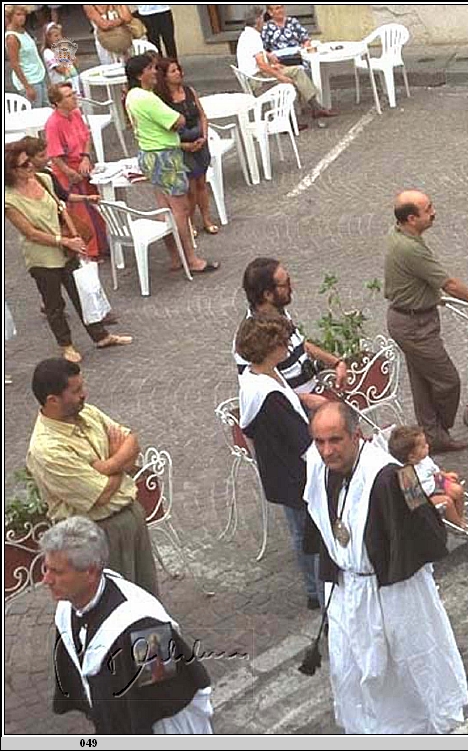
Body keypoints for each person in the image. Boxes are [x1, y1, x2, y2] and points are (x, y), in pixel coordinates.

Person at [302, 402, 468, 733]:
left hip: (394, 592)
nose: (326, 451)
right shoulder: (319, 466)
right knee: (353, 671)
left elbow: (430, 531)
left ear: (357, 436)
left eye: (335, 440)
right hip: (347, 589)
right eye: (319, 441)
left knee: (407, 670)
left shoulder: (395, 474)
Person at [44, 517, 213, 734]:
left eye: (57, 572)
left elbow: (167, 702)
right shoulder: (68, 609)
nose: (46, 580)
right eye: (45, 568)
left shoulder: (144, 628)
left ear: (91, 572)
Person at [27, 358, 158, 595]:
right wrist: (120, 461)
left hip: (131, 517)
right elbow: (102, 494)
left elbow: (132, 442)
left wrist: (108, 464)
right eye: (76, 391)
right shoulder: (48, 449)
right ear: (52, 400)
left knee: (145, 593)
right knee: (111, 603)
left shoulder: (87, 412)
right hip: (95, 536)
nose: (84, 394)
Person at [384, 190, 468, 454]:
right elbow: (449, 284)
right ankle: (438, 428)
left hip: (410, 319)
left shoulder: (399, 233)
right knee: (447, 380)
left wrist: (427, 295)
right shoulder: (411, 249)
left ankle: (434, 437)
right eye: (428, 209)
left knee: (422, 381)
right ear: (411, 218)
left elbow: (418, 280)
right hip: (415, 326)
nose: (434, 212)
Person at [4, 142, 130, 362]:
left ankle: (100, 336)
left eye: (28, 161)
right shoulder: (9, 200)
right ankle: (66, 345)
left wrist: (73, 238)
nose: (30, 166)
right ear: (11, 171)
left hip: (67, 247)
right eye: (24, 164)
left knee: (81, 292)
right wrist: (64, 241)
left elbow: (61, 206)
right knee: (54, 304)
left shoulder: (42, 179)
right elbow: (30, 233)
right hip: (42, 256)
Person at [236, 314, 322, 611]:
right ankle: (320, 594)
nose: (288, 346)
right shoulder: (268, 395)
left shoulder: (259, 375)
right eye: (282, 342)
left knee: (301, 531)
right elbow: (299, 440)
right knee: (310, 534)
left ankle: (314, 590)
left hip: (282, 470)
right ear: (268, 347)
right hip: (293, 474)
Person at [123, 54, 217, 275]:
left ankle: (176, 257)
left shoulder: (133, 96)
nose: (155, 72)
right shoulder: (147, 98)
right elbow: (178, 121)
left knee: (164, 208)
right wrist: (178, 120)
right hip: (164, 156)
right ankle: (191, 259)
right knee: (180, 209)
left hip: (150, 153)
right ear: (140, 75)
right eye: (150, 68)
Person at [235, 257, 348, 409]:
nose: (291, 286)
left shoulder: (278, 313)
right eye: (285, 284)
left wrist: (336, 362)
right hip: (294, 408)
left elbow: (300, 344)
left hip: (314, 391)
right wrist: (304, 399)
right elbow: (257, 386)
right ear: (268, 294)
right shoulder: (251, 336)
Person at [154, 58, 220, 236]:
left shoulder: (189, 91)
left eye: (178, 70)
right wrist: (184, 145)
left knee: (201, 184)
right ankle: (190, 222)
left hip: (199, 140)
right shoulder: (162, 100)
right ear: (165, 77)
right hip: (182, 144)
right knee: (190, 187)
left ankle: (206, 218)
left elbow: (202, 115)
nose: (178, 74)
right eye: (173, 71)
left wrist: (204, 136)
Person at [236, 5, 336, 122]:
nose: (264, 21)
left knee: (297, 71)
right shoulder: (254, 37)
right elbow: (262, 65)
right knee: (290, 82)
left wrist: (273, 66)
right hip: (258, 81)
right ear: (258, 20)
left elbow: (259, 62)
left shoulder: (246, 35)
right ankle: (286, 120)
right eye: (262, 18)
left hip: (258, 75)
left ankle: (316, 108)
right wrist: (280, 76)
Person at [43, 87, 110, 261]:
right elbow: (54, 154)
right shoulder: (53, 124)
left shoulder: (76, 114)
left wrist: (86, 157)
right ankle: (89, 251)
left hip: (82, 165)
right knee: (80, 212)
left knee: (94, 204)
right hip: (68, 170)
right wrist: (70, 172)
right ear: (57, 102)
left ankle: (102, 244)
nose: (75, 97)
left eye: (73, 94)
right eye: (69, 96)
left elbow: (86, 137)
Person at [386, 424, 468, 531]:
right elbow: (415, 502)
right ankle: (458, 524)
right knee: (447, 502)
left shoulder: (424, 459)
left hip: (434, 481)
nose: (427, 446)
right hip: (424, 498)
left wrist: (445, 475)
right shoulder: (406, 474)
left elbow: (434, 470)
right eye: (423, 446)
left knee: (458, 490)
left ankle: (460, 517)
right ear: (412, 457)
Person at [5, 5, 47, 106]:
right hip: (29, 80)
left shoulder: (22, 30)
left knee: (47, 107)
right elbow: (15, 64)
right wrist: (27, 87)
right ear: (11, 16)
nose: (22, 17)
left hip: (38, 75)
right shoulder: (12, 38)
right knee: (37, 111)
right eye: (18, 14)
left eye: (23, 15)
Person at [41, 23, 78, 87]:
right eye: (56, 36)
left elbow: (76, 64)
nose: (59, 38)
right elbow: (61, 70)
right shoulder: (48, 53)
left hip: (74, 80)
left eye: (60, 35)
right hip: (61, 84)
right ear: (48, 38)